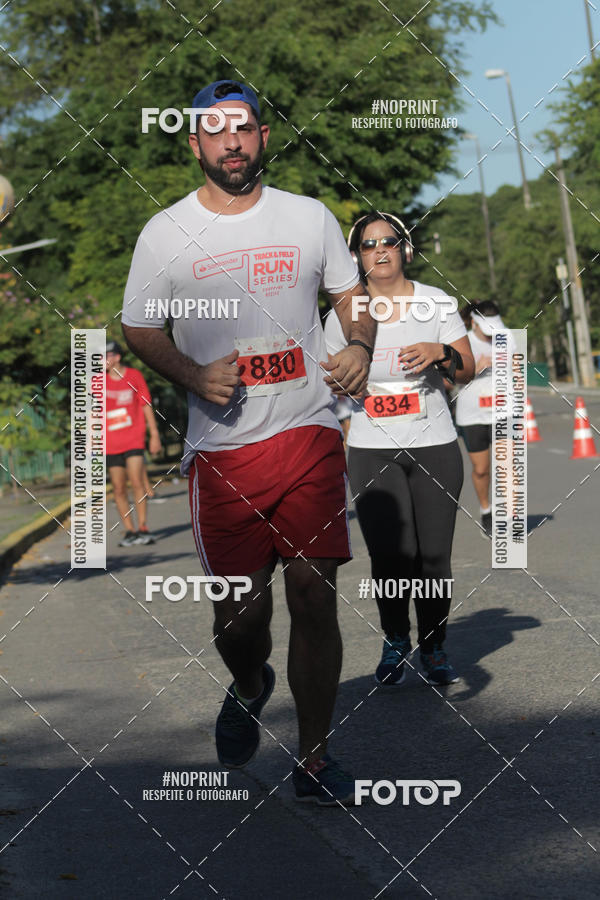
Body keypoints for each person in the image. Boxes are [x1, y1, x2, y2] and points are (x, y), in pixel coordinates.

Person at [120, 80, 375, 805]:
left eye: (245, 128)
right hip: (221, 454)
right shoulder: (164, 232)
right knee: (241, 617)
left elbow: (349, 296)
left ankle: (315, 759)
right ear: (196, 143)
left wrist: (358, 342)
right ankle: (249, 680)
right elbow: (139, 325)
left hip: (308, 430)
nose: (231, 142)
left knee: (313, 591)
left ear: (263, 137)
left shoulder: (308, 217)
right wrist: (193, 373)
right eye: (215, 131)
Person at [325, 212, 474, 688]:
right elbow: (329, 380)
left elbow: (467, 369)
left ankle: (433, 646)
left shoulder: (435, 302)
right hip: (370, 447)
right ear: (357, 257)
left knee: (433, 556)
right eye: (369, 245)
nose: (380, 250)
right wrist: (345, 378)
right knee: (391, 555)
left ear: (406, 249)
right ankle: (395, 639)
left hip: (434, 444)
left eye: (390, 241)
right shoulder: (345, 313)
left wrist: (441, 354)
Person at [455, 300, 506, 538]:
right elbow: (449, 379)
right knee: (482, 469)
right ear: (474, 322)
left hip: (503, 412)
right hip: (472, 414)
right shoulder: (462, 341)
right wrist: (476, 369)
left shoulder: (505, 339)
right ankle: (487, 511)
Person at [105, 340, 162, 546]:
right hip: (110, 443)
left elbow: (146, 405)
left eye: (106, 356)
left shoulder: (134, 376)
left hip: (133, 438)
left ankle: (143, 526)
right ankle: (129, 530)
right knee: (119, 488)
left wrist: (154, 434)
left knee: (137, 482)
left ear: (117, 357)